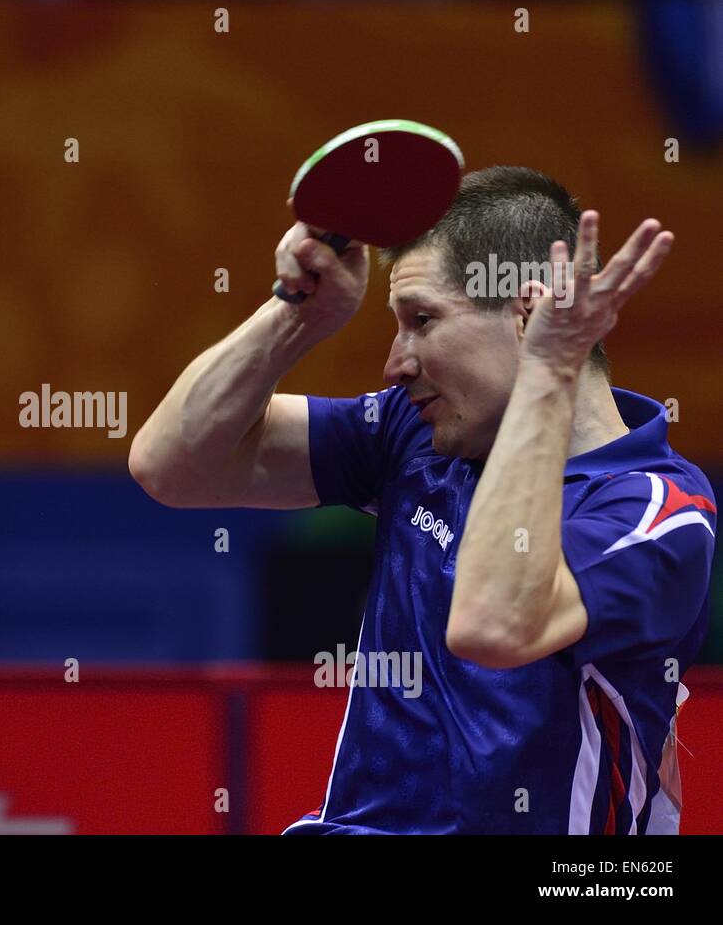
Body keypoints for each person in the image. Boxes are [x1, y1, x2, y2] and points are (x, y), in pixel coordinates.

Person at [129, 167, 716, 834]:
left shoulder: (655, 513)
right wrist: (296, 315)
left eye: (422, 321)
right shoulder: (416, 435)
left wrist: (547, 373)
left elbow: (492, 625)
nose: (395, 363)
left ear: (528, 308)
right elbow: (171, 466)